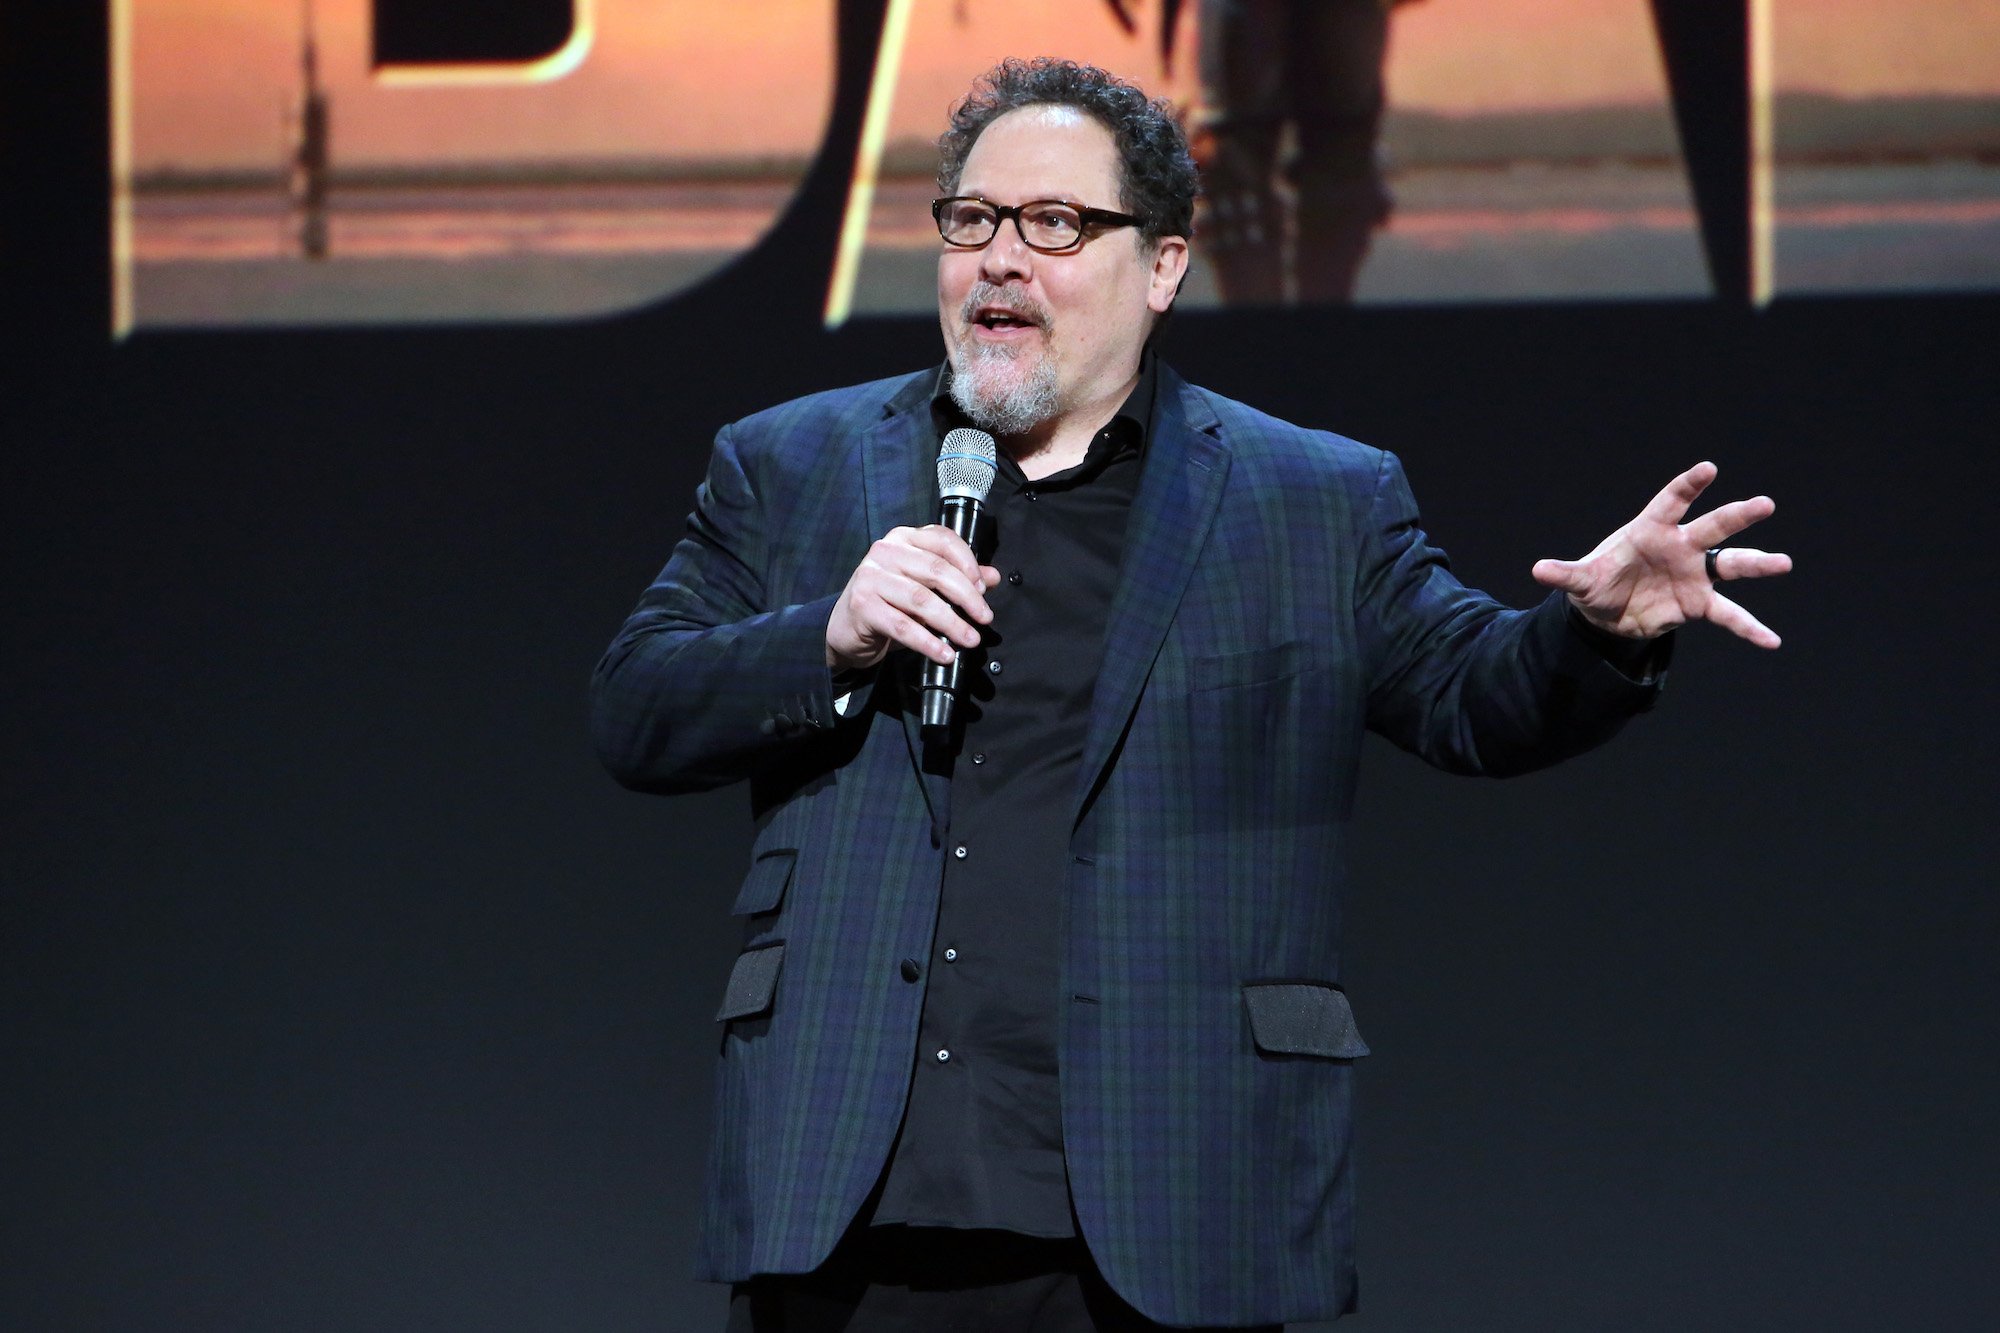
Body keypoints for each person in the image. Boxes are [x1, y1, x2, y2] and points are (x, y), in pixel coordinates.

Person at [591, 57, 1789, 1332]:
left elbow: (1471, 696)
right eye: (971, 220)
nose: (1000, 260)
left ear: (1160, 266)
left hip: (1167, 1200)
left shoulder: (1309, 498)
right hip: (847, 1207)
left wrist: (1591, 632)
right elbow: (635, 706)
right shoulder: (791, 463)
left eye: (1054, 224)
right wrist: (826, 637)